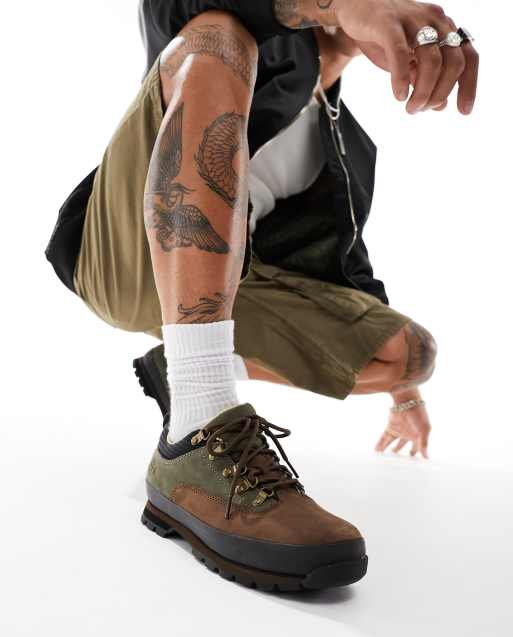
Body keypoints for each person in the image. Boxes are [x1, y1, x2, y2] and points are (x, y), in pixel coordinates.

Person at [46, 0, 478, 591]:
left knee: (411, 353)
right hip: (124, 255)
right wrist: (344, 7)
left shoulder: (344, 140)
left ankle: (188, 366)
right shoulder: (248, 35)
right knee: (216, 38)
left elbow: (347, 269)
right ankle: (198, 419)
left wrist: (404, 393)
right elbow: (176, 6)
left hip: (228, 290)